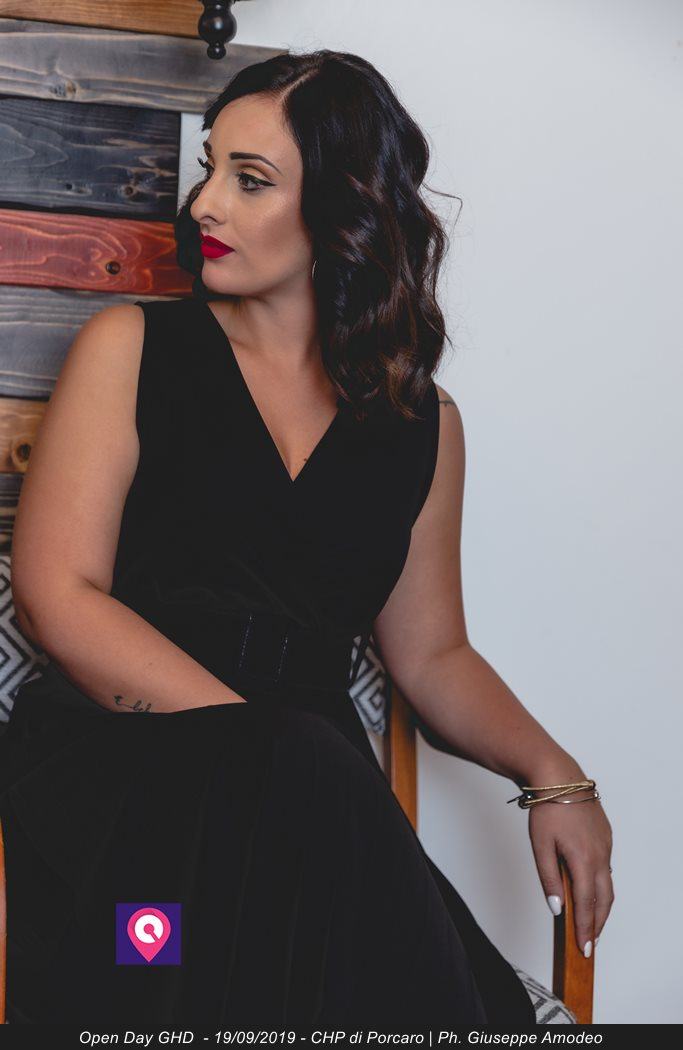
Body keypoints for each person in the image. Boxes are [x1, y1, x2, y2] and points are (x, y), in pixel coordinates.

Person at [0, 49, 613, 1027]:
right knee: (302, 780)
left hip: (309, 794)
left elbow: (433, 655)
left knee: (321, 812)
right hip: (125, 763)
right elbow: (56, 595)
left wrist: (553, 775)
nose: (204, 203)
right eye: (210, 168)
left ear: (341, 209)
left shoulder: (421, 423)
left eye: (250, 181)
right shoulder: (132, 346)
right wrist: (255, 740)